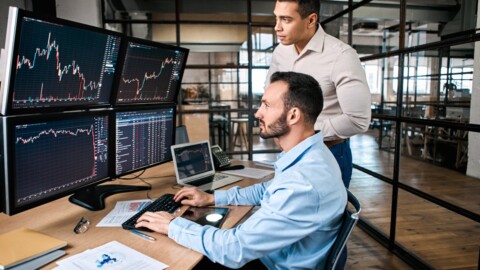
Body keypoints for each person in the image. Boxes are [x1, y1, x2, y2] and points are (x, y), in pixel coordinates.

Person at [135, 71, 347, 269]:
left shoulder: (303, 182)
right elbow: (267, 190)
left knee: (176, 258)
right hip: (274, 255)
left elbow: (233, 249)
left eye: (266, 105)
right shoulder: (312, 154)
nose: (257, 113)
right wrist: (212, 199)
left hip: (273, 265)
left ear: (292, 115)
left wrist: (173, 225)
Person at [266, 0, 372, 189]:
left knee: (325, 218)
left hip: (328, 153)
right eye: (276, 18)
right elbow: (271, 95)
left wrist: (300, 133)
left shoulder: (342, 56)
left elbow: (358, 120)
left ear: (311, 20)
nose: (277, 27)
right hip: (287, 154)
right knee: (288, 214)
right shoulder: (280, 52)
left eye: (286, 19)